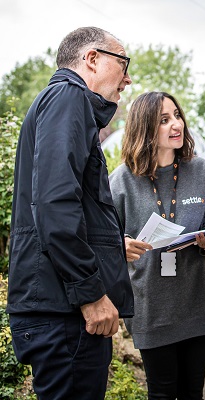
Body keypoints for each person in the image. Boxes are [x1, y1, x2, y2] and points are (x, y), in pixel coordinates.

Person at [7, 27, 134, 399]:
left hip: (59, 308)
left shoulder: (63, 101)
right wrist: (90, 295)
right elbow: (55, 205)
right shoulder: (68, 97)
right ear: (92, 58)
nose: (128, 78)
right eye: (123, 64)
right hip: (66, 313)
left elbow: (66, 206)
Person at [109, 91, 205, 400]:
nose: (176, 125)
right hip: (151, 308)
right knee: (161, 393)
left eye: (177, 115)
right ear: (144, 128)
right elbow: (102, 239)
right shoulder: (121, 181)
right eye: (164, 120)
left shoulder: (200, 170)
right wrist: (120, 244)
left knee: (193, 393)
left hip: (196, 302)